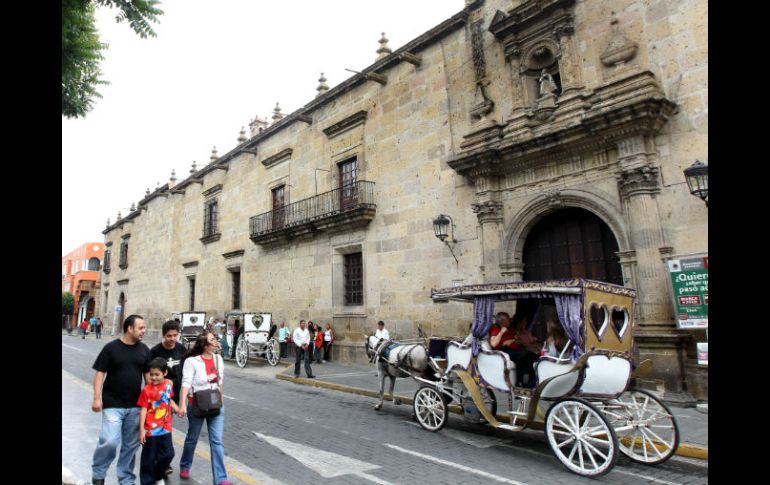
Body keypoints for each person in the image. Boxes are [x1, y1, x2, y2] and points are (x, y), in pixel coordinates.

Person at [90, 315, 152, 485]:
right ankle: (98, 474)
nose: (144, 331)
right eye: (140, 328)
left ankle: (126, 479)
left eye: (144, 328)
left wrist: (151, 402)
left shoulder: (144, 350)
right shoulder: (111, 348)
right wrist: (96, 398)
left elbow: (148, 378)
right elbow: (100, 373)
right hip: (112, 403)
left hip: (135, 405)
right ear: (129, 328)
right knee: (109, 441)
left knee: (131, 446)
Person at [178, 331, 231, 485]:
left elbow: (220, 382)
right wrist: (182, 403)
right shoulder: (191, 362)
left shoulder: (218, 359)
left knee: (217, 442)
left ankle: (221, 478)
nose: (216, 342)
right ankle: (185, 465)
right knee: (192, 438)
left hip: (215, 405)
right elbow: (186, 383)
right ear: (205, 345)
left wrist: (221, 400)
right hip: (197, 404)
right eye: (212, 340)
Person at [138, 357, 181, 485]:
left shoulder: (168, 385)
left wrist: (177, 409)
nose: (153, 377)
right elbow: (143, 410)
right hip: (150, 430)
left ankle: (157, 475)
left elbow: (168, 399)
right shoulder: (146, 390)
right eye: (151, 374)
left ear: (165, 373)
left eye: (157, 374)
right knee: (149, 457)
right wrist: (141, 430)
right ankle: (147, 481)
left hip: (165, 427)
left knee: (169, 453)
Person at [150, 322, 185, 477]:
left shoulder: (181, 349)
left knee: (165, 428)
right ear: (163, 335)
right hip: (161, 398)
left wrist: (183, 398)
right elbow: (150, 377)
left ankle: (162, 461)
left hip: (176, 396)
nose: (172, 339)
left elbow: (185, 373)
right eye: (169, 336)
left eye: (175, 335)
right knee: (161, 429)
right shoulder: (155, 351)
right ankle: (162, 462)